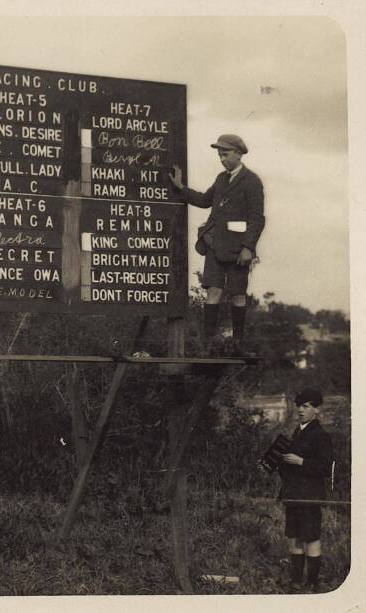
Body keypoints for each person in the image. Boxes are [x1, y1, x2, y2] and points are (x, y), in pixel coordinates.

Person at [168, 134, 265, 354]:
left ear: (239, 154)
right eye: (220, 155)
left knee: (238, 295)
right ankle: (208, 346)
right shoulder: (221, 179)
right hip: (215, 247)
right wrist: (180, 187)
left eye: (226, 154)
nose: (222, 159)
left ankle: (238, 346)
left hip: (239, 250)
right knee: (213, 293)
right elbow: (204, 201)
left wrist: (248, 247)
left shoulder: (252, 181)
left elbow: (257, 218)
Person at [277, 388, 334, 592]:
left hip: (310, 495)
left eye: (306, 406)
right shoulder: (298, 431)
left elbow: (326, 468)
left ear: (316, 410)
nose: (301, 410)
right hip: (294, 494)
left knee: (311, 538)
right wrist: (272, 462)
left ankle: (312, 583)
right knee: (294, 537)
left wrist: (301, 461)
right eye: (299, 406)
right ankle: (296, 581)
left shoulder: (320, 435)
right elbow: (288, 464)